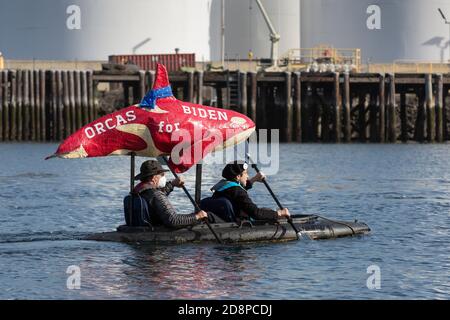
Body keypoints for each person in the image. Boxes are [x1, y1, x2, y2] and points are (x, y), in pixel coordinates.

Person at [133, 160, 208, 228]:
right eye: (162, 174)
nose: (164, 177)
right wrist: (197, 216)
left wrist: (172, 184)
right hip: (155, 232)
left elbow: (157, 199)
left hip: (140, 228)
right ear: (154, 178)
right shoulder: (156, 195)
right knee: (210, 217)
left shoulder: (140, 191)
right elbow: (173, 220)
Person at [210, 161, 290, 222]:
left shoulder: (223, 186)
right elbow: (256, 214)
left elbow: (236, 191)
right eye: (245, 173)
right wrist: (279, 213)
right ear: (238, 176)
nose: (247, 176)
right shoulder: (238, 191)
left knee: (266, 211)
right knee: (267, 211)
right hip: (240, 222)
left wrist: (254, 179)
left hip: (223, 218)